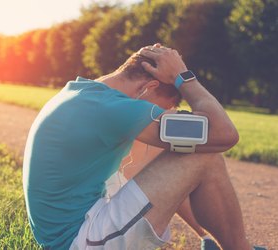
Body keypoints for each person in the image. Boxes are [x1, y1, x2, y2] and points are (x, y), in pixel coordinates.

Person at [23, 43, 262, 249]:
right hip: (80, 241)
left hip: (70, 234)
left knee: (173, 149)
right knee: (202, 156)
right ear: (150, 87)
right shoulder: (116, 110)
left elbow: (164, 174)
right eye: (164, 108)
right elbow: (223, 134)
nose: (162, 114)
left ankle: (209, 239)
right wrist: (183, 76)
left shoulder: (85, 94)